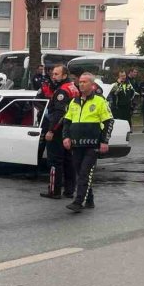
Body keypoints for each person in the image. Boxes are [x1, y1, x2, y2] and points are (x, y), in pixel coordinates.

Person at [62, 72, 114, 213]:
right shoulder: (74, 102)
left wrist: (104, 141)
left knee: (85, 172)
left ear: (92, 85)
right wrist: (65, 137)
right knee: (80, 172)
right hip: (76, 144)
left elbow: (109, 121)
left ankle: (79, 201)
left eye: (85, 82)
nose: (81, 84)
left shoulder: (99, 101)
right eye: (80, 81)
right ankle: (89, 198)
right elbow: (67, 122)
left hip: (92, 145)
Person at [40, 65, 80, 199]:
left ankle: (54, 190)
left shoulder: (62, 91)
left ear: (64, 75)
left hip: (59, 130)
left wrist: (51, 130)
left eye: (57, 74)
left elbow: (59, 113)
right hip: (71, 128)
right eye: (53, 74)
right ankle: (69, 190)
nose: (53, 76)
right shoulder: (73, 87)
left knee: (55, 162)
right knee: (69, 160)